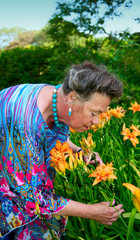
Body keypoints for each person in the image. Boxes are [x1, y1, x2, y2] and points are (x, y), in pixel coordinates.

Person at [0, 61, 124, 240]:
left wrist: (78, 152)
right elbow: (32, 197)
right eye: (93, 113)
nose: (97, 122)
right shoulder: (23, 121)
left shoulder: (57, 96)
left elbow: (52, 134)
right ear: (72, 98)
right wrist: (92, 211)